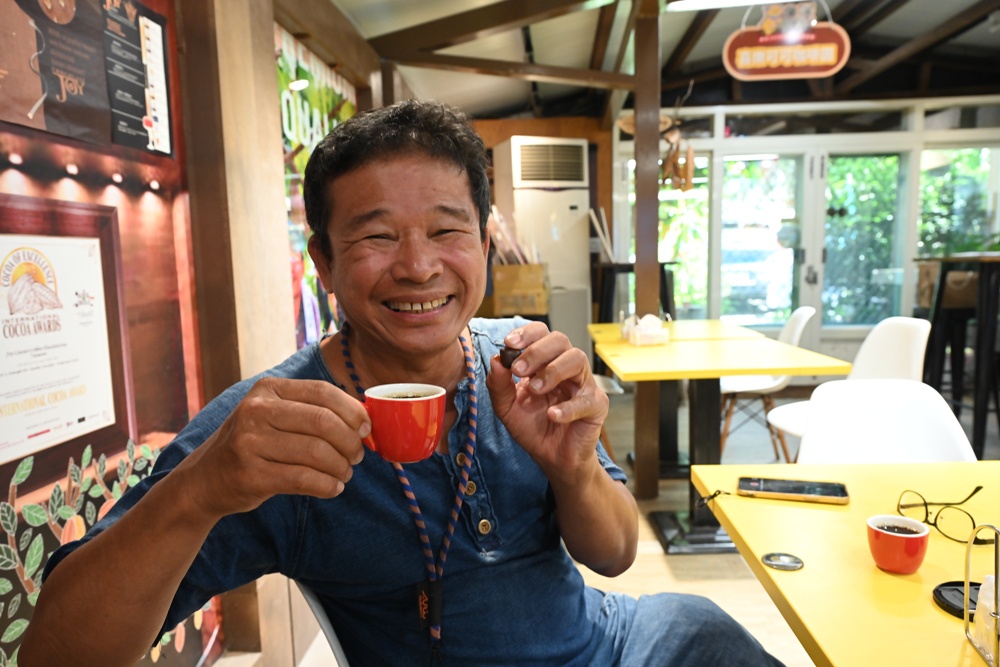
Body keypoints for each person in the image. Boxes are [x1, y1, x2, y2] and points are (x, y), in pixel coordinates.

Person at [22, 100, 784, 667]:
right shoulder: (277, 429)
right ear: (323, 262)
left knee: (703, 625)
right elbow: (56, 653)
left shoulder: (519, 360)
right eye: (377, 236)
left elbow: (615, 554)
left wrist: (573, 464)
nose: (419, 266)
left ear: (485, 243)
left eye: (449, 230)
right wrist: (199, 490)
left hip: (622, 643)